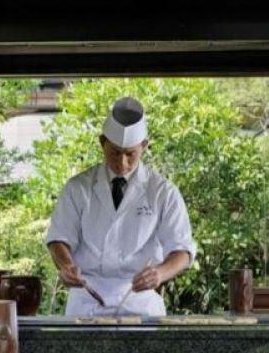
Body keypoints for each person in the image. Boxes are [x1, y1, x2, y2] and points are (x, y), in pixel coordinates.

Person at [45, 96, 195, 316]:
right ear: (102, 142)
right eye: (115, 152)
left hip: (140, 300)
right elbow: (59, 238)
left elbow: (182, 250)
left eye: (130, 154)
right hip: (86, 299)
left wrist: (160, 274)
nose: (122, 162)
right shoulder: (78, 187)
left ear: (144, 146)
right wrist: (66, 266)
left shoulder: (163, 192)